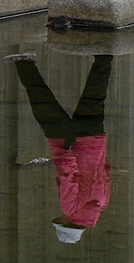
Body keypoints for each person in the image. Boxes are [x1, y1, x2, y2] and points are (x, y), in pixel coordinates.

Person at [7, 52, 113, 244]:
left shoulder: (101, 203)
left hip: (94, 141)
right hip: (67, 143)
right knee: (42, 104)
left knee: (94, 97)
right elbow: (67, 178)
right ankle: (24, 63)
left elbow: (106, 170)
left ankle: (104, 57)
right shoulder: (69, 210)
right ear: (65, 222)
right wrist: (67, 154)